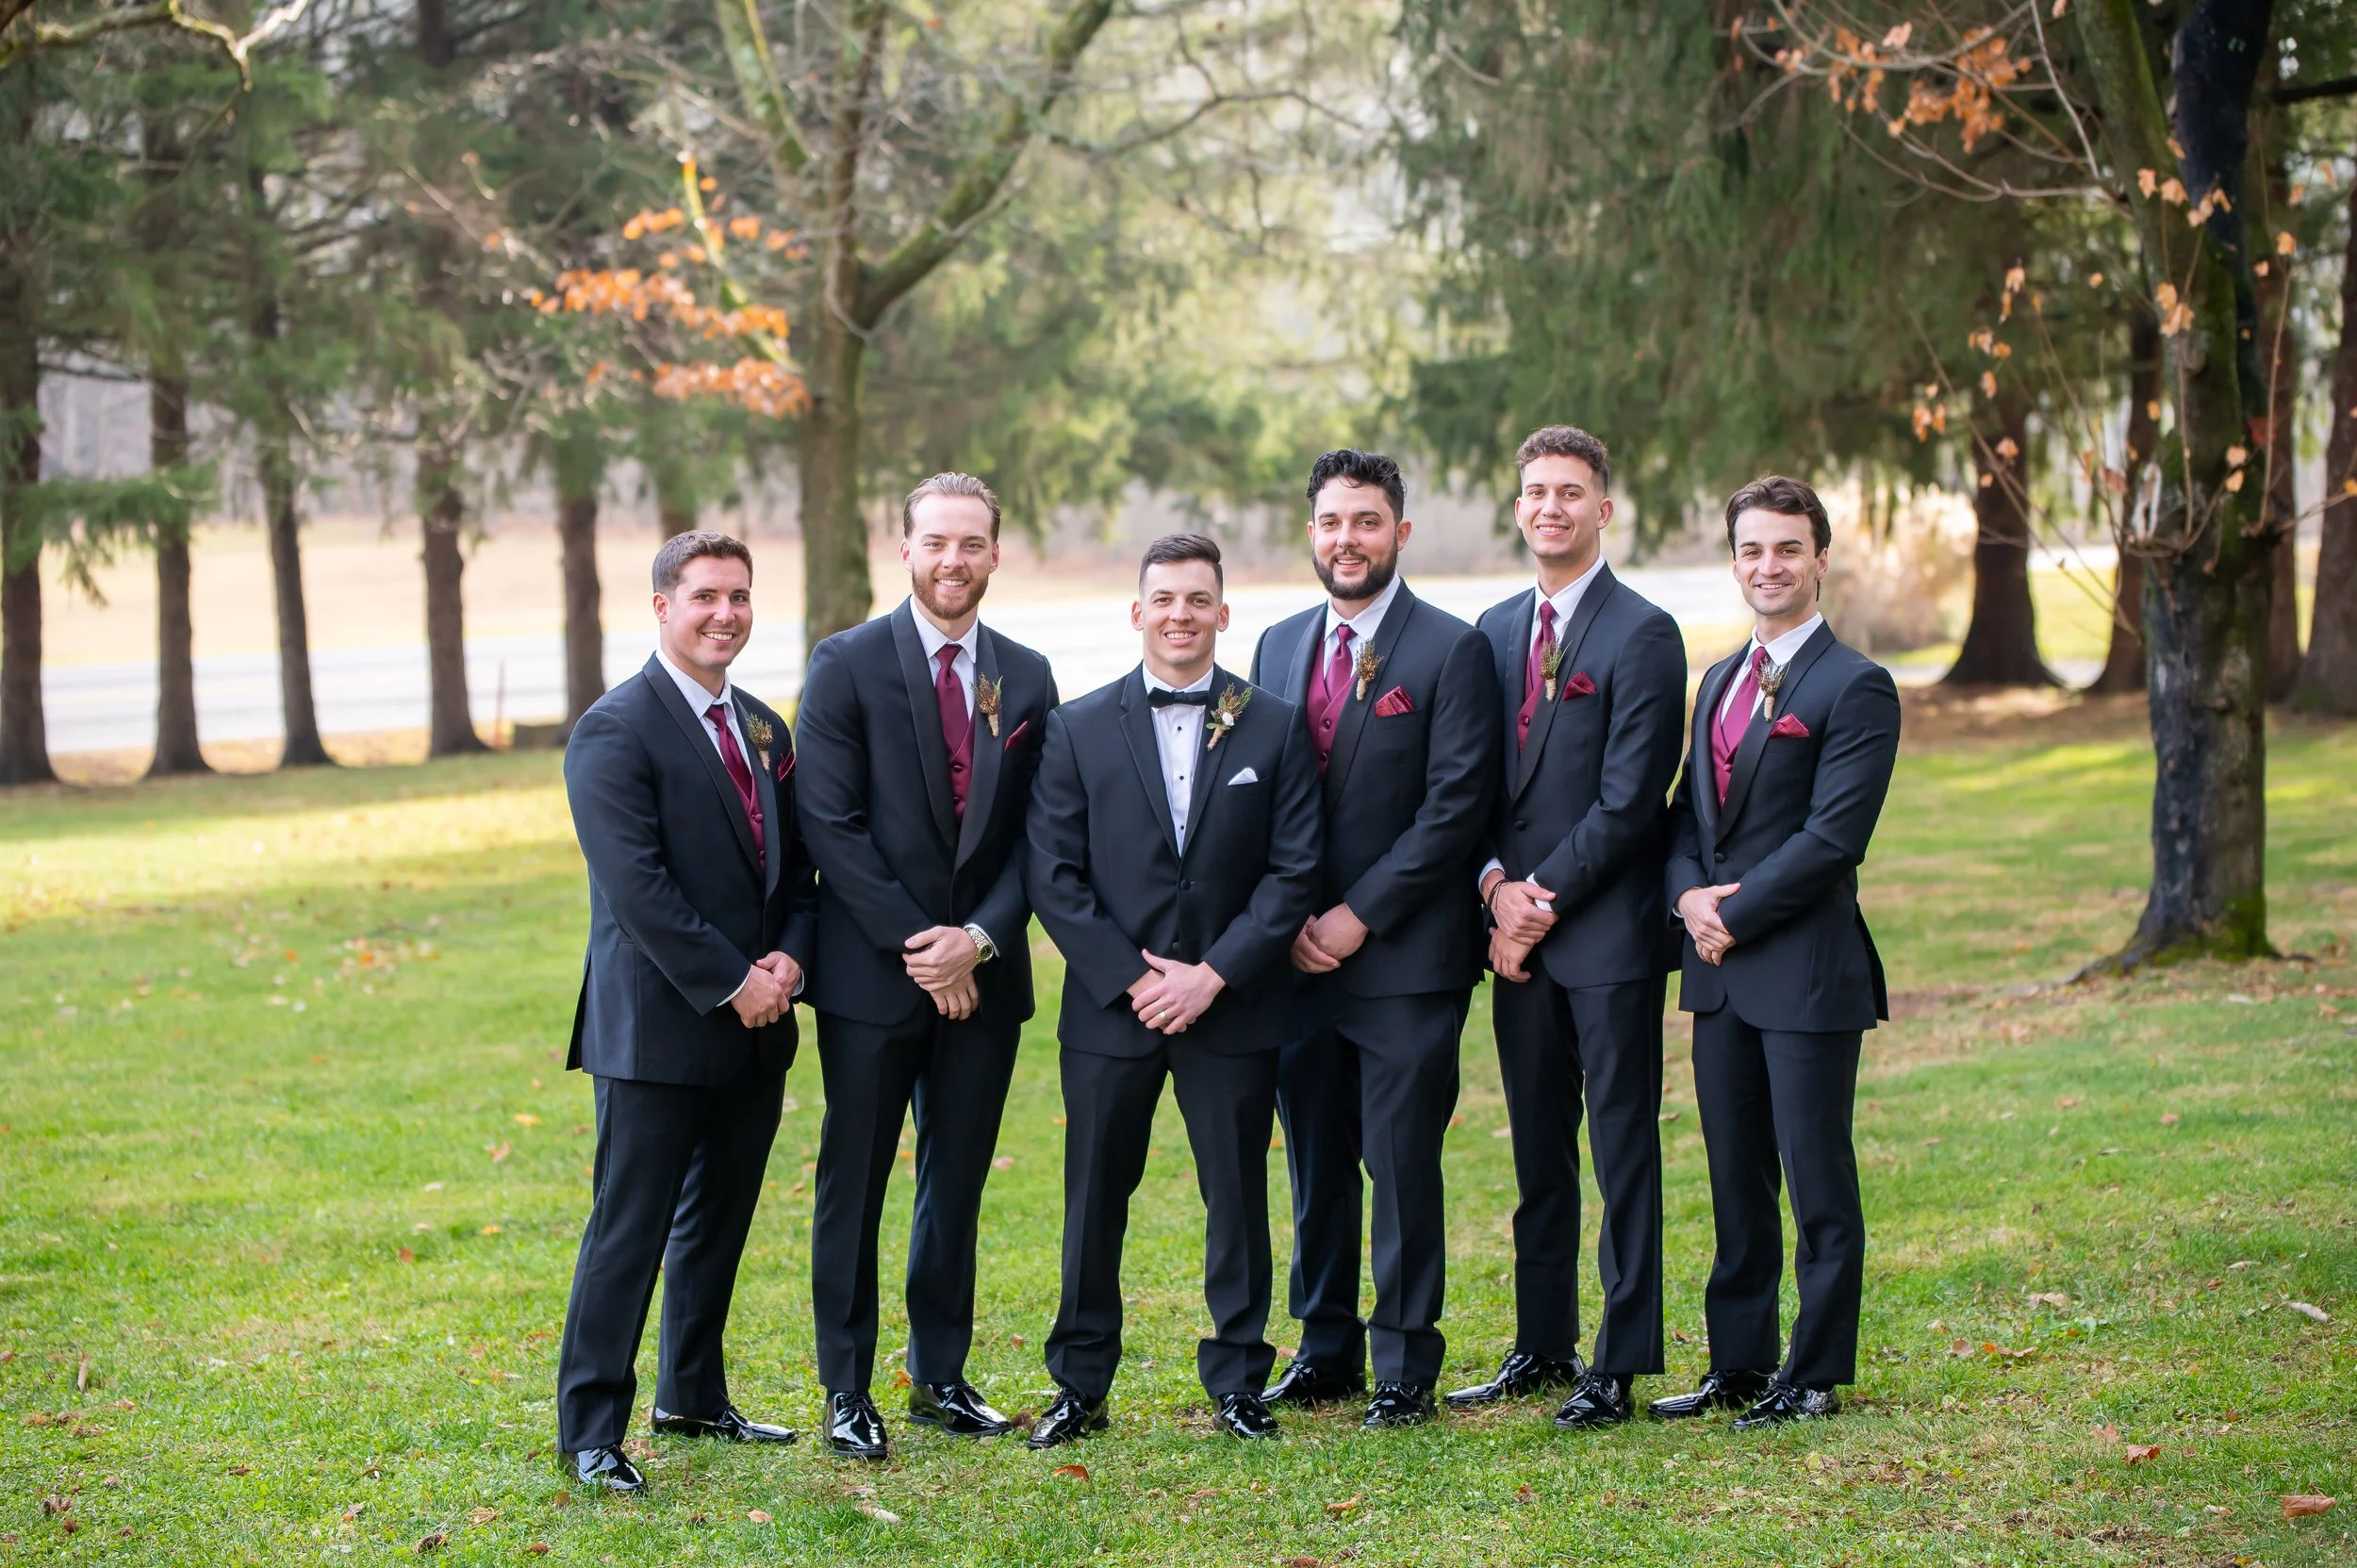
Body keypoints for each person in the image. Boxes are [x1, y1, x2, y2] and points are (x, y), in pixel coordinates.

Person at [1023, 534, 1322, 1447]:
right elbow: (1053, 873)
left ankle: (1237, 1378)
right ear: (1137, 612)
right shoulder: (1076, 726)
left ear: (1223, 613)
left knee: (1236, 1197)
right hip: (1112, 1011)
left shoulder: (1272, 723)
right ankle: (1079, 1385)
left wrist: (1214, 974)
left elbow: (1293, 869)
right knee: (1092, 1199)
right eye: (1164, 599)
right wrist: (1131, 977)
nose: (1181, 614)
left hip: (1230, 1005)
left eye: (1199, 599)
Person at [793, 474, 1060, 1460]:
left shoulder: (1026, 677)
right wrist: (922, 943)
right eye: (936, 542)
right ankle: (846, 1386)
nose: (954, 560)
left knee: (957, 1182)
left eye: (973, 544)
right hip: (872, 980)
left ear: (996, 553)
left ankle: (939, 1374)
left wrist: (978, 942)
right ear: (902, 549)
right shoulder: (845, 664)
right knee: (852, 1179)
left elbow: (1044, 836)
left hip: (985, 981)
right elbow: (831, 822)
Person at [554, 531, 816, 1494]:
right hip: (657, 1031)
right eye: (705, 595)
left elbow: (798, 870)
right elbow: (640, 889)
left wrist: (790, 954)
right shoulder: (613, 729)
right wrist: (733, 979)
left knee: (718, 1222)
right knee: (629, 1230)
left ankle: (693, 1395)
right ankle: (589, 1431)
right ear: (661, 605)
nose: (725, 614)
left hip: (758, 1026)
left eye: (740, 596)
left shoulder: (764, 728)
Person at [1251, 450, 1499, 1428]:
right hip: (1294, 963)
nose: (1345, 539)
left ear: (1399, 532)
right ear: (1308, 532)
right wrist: (1282, 925)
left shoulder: (1451, 648)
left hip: (1404, 960)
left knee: (1398, 1163)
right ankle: (1324, 1347)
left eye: (1364, 521)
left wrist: (1357, 915)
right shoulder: (1272, 646)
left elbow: (1453, 809)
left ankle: (1403, 1362)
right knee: (1314, 1159)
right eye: (1329, 522)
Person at [1449, 425, 1687, 1429]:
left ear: (1603, 508)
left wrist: (1534, 902)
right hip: (1512, 939)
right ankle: (1541, 1343)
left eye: (1570, 491)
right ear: (1516, 510)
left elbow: (1632, 799)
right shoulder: (1490, 631)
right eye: (1535, 492)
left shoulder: (1644, 633)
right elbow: (1462, 786)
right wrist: (1493, 886)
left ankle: (1617, 1361)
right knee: (1538, 1151)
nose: (1551, 507)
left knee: (1621, 1144)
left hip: (1605, 938)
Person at [1655, 475, 1901, 1429]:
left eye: (1787, 549)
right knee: (1735, 1179)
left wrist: (1732, 913)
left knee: (1816, 1180)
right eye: (1752, 549)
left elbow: (1832, 839)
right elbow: (1685, 814)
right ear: (1735, 561)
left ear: (1819, 559)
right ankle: (1739, 1363)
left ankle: (1813, 1372)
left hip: (1803, 974)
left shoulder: (1856, 687)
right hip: (1717, 981)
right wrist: (1683, 896)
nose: (1769, 566)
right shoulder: (1715, 680)